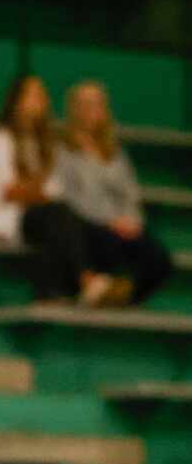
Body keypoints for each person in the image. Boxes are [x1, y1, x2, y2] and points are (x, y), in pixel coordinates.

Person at [0, 73, 103, 305]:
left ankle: (64, 289)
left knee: (64, 216)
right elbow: (9, 190)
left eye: (41, 95)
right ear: (17, 100)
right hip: (5, 215)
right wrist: (37, 191)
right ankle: (78, 281)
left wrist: (38, 192)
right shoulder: (2, 138)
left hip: (39, 213)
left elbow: (54, 189)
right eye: (32, 95)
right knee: (55, 215)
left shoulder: (45, 143)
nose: (38, 101)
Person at [56, 81, 173, 308]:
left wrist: (131, 221)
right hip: (90, 224)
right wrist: (109, 221)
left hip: (123, 225)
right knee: (102, 243)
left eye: (98, 103)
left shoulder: (115, 152)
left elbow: (130, 193)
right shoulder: (64, 150)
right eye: (86, 104)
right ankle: (102, 293)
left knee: (159, 258)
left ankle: (124, 298)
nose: (93, 110)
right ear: (74, 108)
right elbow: (70, 198)